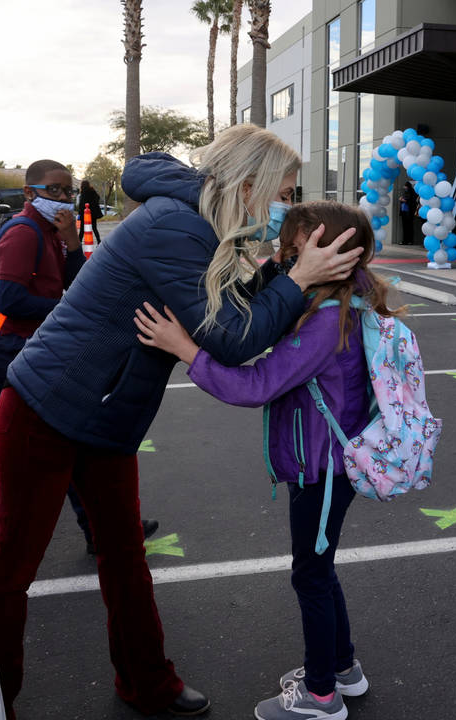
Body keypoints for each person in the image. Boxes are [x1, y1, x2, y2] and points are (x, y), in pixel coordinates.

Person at [0, 125, 364, 719]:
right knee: (12, 564)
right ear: (251, 184)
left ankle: (147, 683)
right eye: (284, 191)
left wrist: (282, 273)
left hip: (106, 418)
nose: (287, 204)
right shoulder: (176, 227)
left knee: (125, 554)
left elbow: (227, 307)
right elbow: (232, 340)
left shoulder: (205, 225)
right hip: (46, 409)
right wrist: (298, 280)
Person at [134, 201, 392, 720]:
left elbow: (257, 385)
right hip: (328, 462)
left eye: (294, 246)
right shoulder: (346, 300)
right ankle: (343, 669)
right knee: (319, 569)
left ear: (330, 251)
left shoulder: (325, 322)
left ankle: (322, 697)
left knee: (311, 576)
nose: (283, 253)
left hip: (321, 469)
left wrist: (186, 349)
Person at [0, 160, 87, 547]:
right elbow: (12, 300)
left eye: (68, 190)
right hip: (12, 348)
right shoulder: (24, 234)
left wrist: (73, 241)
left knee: (2, 433)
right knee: (55, 430)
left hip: (28, 345)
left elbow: (74, 284)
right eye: (54, 190)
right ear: (30, 193)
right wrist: (66, 312)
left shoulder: (51, 232)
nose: (63, 198)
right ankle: (97, 527)